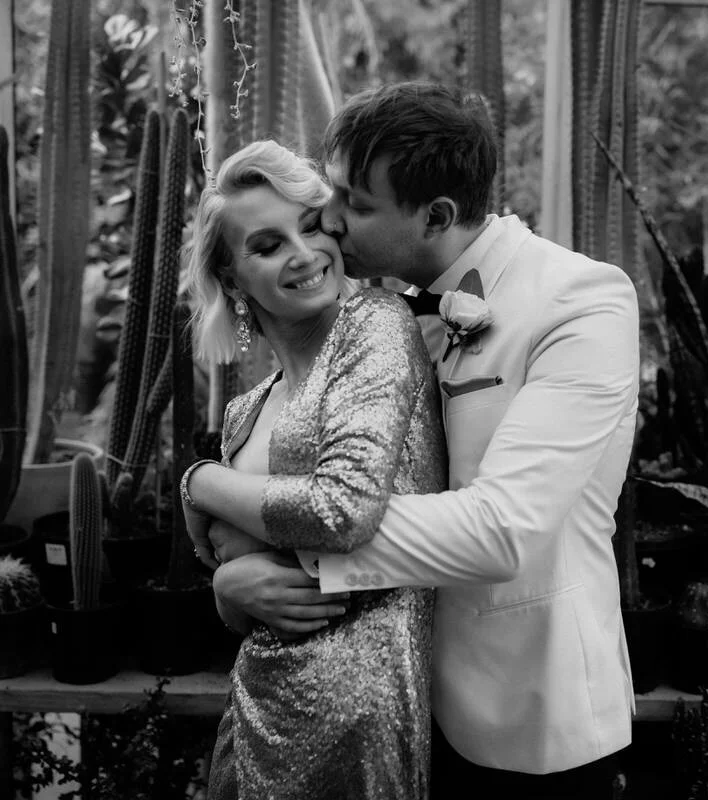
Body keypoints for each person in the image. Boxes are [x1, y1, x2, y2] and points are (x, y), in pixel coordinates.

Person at [208, 81, 641, 799]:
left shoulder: (579, 301)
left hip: (529, 721)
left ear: (436, 215)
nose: (329, 220)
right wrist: (231, 582)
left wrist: (267, 537)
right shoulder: (382, 313)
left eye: (355, 204)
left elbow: (501, 530)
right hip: (397, 709)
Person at [180, 139, 447, 799]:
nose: (304, 254)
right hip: (253, 710)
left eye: (311, 226)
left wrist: (199, 482)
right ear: (233, 279)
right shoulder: (244, 412)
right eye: (268, 246)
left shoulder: (376, 325)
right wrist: (228, 591)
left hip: (358, 716)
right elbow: (244, 571)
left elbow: (341, 512)